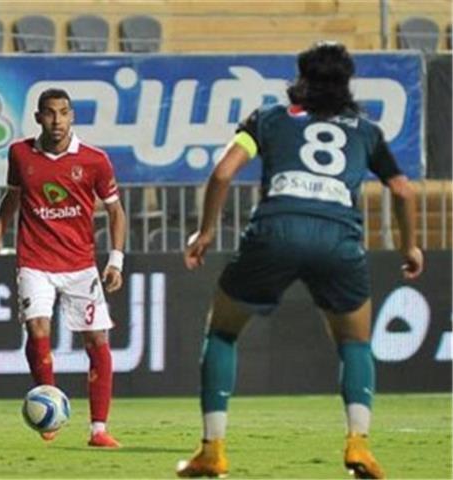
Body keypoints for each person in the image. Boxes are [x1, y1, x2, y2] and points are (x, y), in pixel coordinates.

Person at [176, 42, 423, 479]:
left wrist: (206, 231)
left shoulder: (267, 118)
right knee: (355, 343)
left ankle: (212, 450)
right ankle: (359, 445)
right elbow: (403, 191)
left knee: (223, 333)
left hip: (275, 231)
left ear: (301, 78)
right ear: (347, 83)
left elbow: (222, 172)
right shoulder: (366, 131)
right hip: (338, 239)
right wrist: (409, 247)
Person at [0, 88, 127, 448]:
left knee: (97, 340)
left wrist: (115, 260)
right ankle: (49, 408)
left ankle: (98, 430)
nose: (57, 120)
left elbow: (116, 211)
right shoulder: (20, 153)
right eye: (50, 113)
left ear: (72, 116)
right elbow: (12, 198)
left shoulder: (95, 160)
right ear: (38, 117)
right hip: (35, 261)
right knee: (38, 329)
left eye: (64, 113)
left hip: (80, 264)